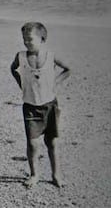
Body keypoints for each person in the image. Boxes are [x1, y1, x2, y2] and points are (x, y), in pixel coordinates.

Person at [10, 22, 71, 188]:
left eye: (30, 39)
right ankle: (35, 174)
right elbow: (13, 69)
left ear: (42, 39)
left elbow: (67, 69)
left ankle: (56, 174)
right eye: (24, 39)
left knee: (52, 142)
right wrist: (22, 84)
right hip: (30, 106)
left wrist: (55, 84)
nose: (26, 42)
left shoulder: (50, 55)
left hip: (50, 105)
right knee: (32, 143)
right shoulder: (21, 56)